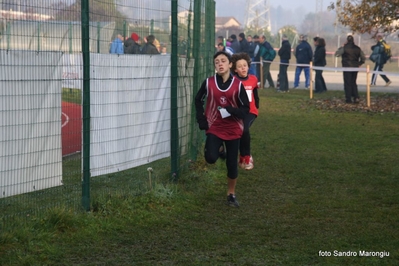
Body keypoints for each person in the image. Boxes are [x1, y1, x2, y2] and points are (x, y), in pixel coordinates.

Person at [195, 51, 250, 207]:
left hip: (233, 129)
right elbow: (198, 100)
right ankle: (219, 150)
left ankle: (231, 194)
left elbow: (245, 110)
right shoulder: (208, 83)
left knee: (231, 164)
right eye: (217, 62)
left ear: (230, 64)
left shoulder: (238, 86)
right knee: (210, 158)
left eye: (223, 61)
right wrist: (201, 119)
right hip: (215, 127)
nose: (220, 64)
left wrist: (232, 110)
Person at [231, 53, 259, 170]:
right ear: (235, 70)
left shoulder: (253, 79)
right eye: (240, 66)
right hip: (238, 111)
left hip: (251, 112)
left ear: (248, 66)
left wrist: (256, 107)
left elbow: (255, 95)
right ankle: (240, 156)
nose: (243, 68)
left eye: (245, 65)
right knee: (238, 133)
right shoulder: (233, 81)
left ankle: (247, 156)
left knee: (244, 129)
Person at [335, 35, 366, 104]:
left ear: (347, 40)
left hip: (347, 67)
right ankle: (356, 97)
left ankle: (348, 98)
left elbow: (337, 54)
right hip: (355, 67)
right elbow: (363, 58)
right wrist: (359, 63)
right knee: (353, 82)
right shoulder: (358, 48)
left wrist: (342, 47)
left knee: (347, 83)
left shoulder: (344, 48)